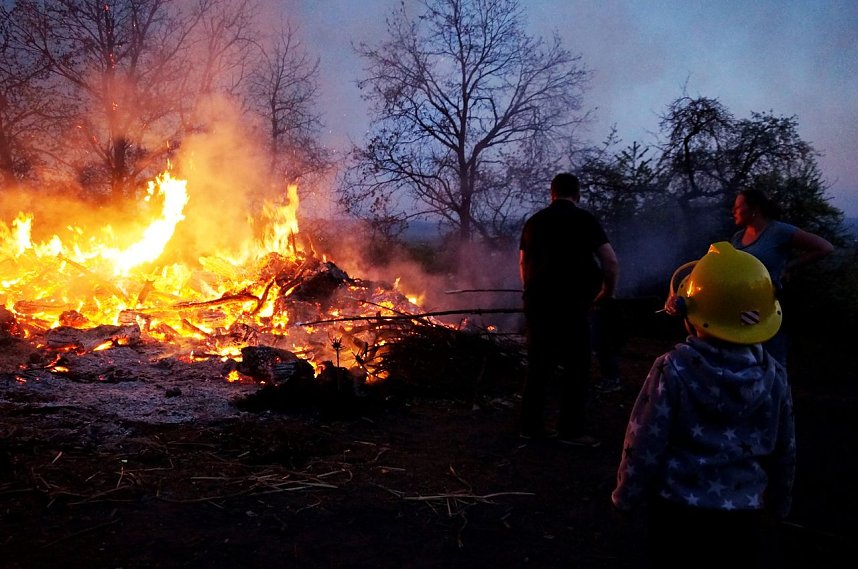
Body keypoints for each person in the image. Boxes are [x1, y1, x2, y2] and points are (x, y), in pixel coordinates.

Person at [612, 242, 796, 568]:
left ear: (687, 313)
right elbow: (785, 449)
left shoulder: (672, 368)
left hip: (677, 515)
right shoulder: (775, 376)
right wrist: (779, 506)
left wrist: (626, 497)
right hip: (745, 519)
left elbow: (643, 440)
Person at [518, 173, 619, 447]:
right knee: (577, 366)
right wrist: (606, 292)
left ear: (552, 194)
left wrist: (531, 291)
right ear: (577, 194)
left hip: (538, 304)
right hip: (572, 305)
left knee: (538, 365)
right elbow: (610, 261)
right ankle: (571, 431)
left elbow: (523, 262)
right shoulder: (585, 220)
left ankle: (530, 427)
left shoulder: (534, 222)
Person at [730, 188, 834, 363]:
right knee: (745, 358)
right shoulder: (737, 238)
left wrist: (789, 266)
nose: (733, 211)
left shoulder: (778, 231)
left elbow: (825, 247)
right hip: (741, 309)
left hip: (768, 307)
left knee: (772, 359)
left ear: (754, 208)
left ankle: (777, 389)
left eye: (738, 206)